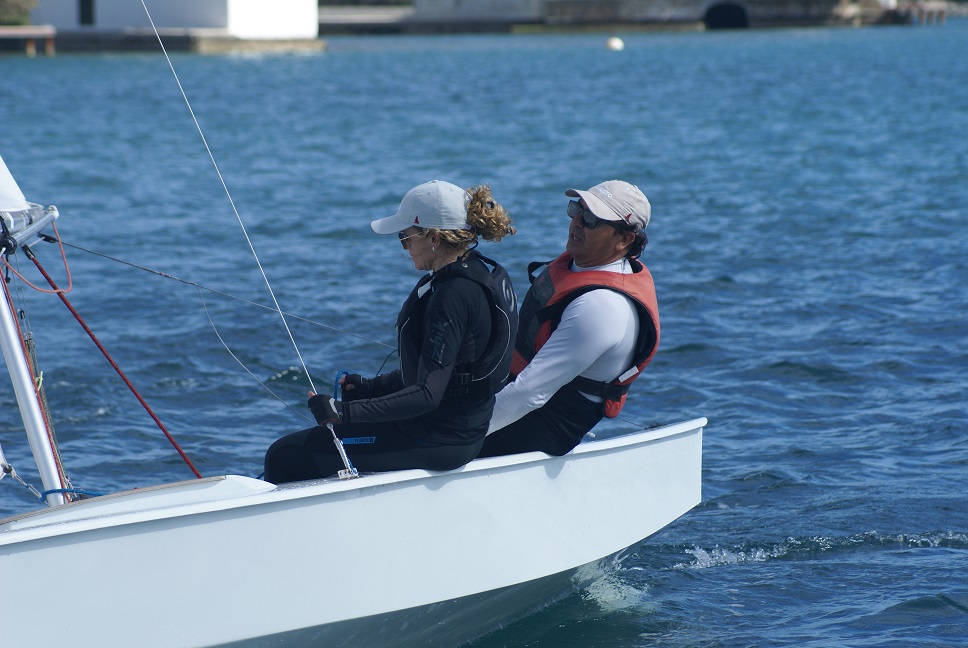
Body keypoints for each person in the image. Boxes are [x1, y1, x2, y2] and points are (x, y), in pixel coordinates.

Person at [264, 180, 517, 483]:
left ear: (434, 237)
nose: (404, 247)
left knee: (283, 456)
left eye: (405, 237)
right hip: (458, 430)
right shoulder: (473, 273)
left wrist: (343, 412)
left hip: (439, 438)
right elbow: (446, 373)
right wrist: (371, 388)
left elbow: (427, 393)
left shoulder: (452, 296)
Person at [477, 180, 659, 458]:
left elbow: (529, 394)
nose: (576, 223)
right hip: (511, 390)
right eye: (576, 210)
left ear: (624, 240)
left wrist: (458, 434)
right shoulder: (580, 265)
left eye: (591, 220)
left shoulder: (602, 307)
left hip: (544, 421)